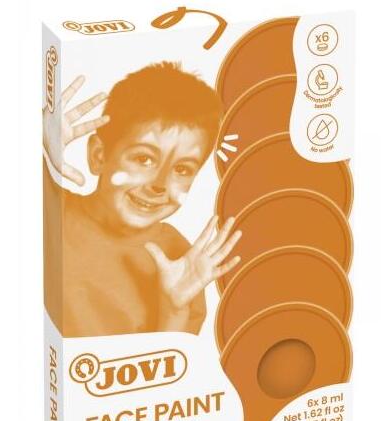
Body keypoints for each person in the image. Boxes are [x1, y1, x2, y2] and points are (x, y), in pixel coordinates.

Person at [43, 62, 241, 337]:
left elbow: (169, 361)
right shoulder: (49, 209)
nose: (159, 184)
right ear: (99, 156)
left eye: (182, 169)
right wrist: (38, 149)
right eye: (143, 159)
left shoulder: (182, 259)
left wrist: (174, 310)